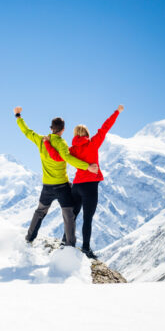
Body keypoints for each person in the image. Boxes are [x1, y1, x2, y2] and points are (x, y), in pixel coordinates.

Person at [43, 105, 124, 259]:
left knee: (72, 216)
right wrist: (117, 112)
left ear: (74, 135)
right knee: (87, 219)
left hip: (77, 186)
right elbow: (105, 127)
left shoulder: (71, 150)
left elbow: (57, 156)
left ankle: (64, 242)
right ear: (87, 133)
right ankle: (86, 249)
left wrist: (47, 143)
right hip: (90, 187)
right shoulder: (93, 143)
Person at [13, 106, 99, 247]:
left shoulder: (41, 140)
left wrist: (18, 116)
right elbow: (67, 158)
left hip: (47, 186)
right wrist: (87, 166)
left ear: (51, 128)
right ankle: (70, 245)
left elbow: (27, 132)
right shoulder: (62, 143)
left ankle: (29, 238)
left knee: (40, 211)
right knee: (68, 215)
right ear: (63, 129)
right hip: (62, 187)